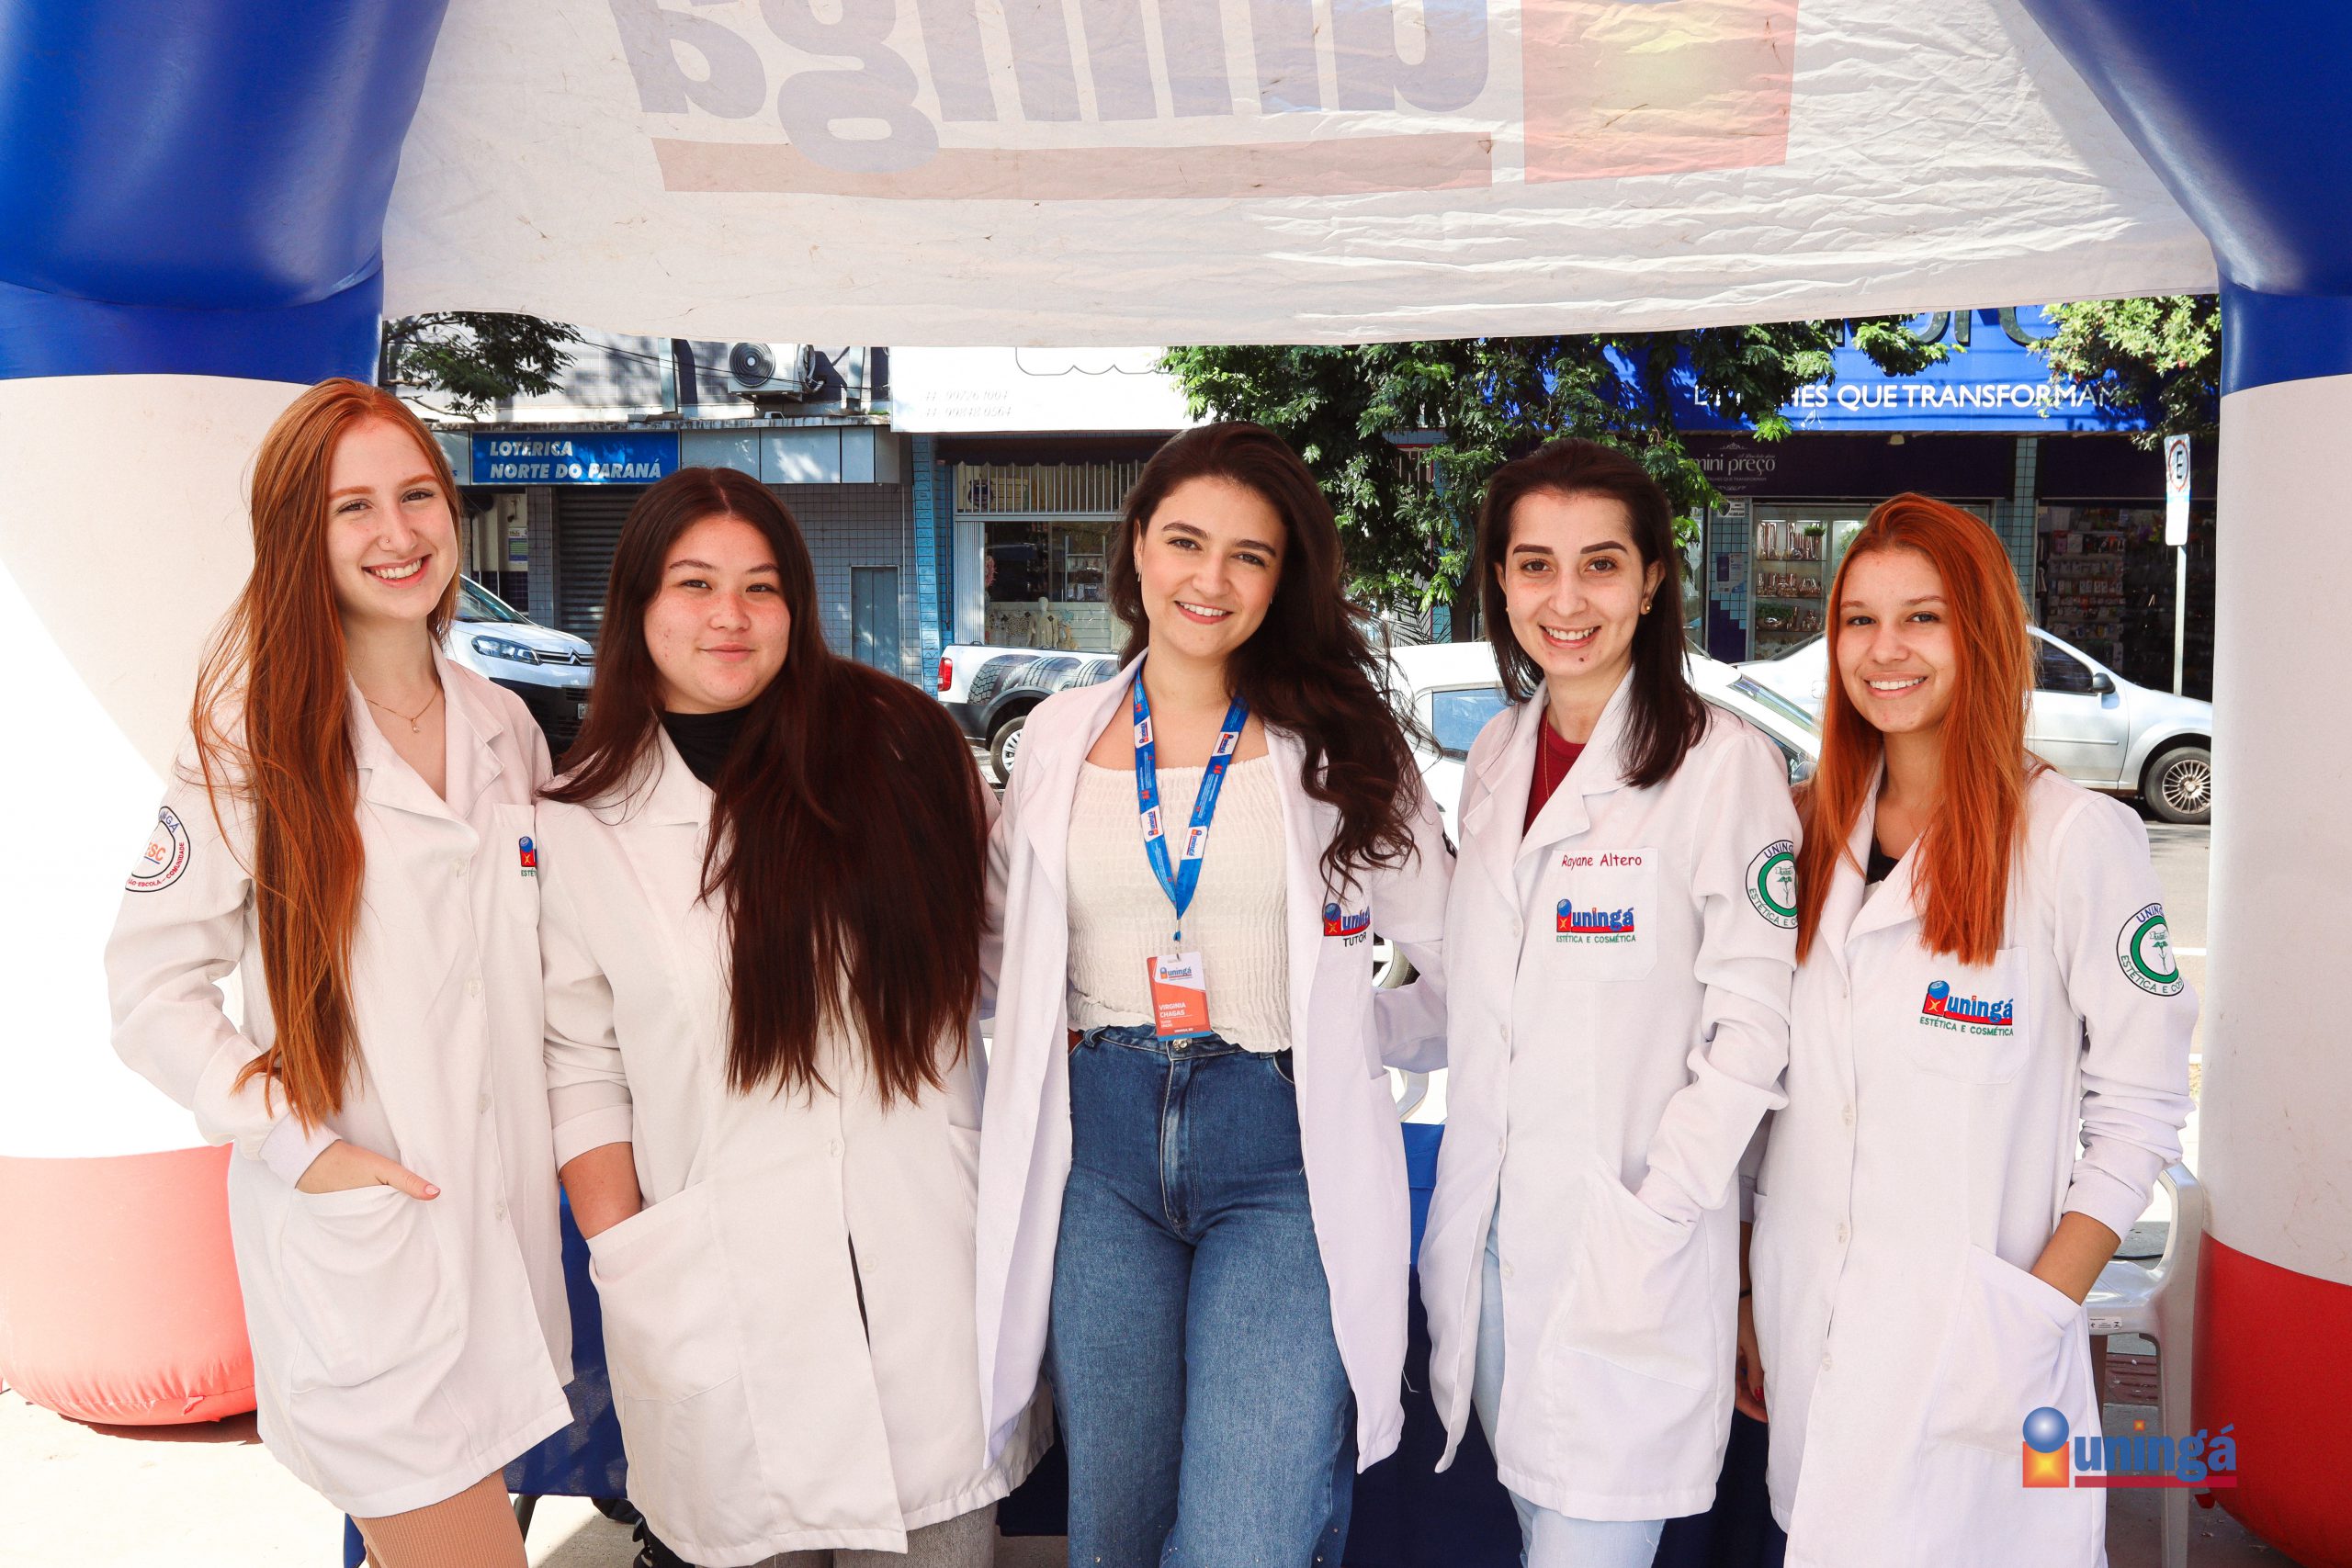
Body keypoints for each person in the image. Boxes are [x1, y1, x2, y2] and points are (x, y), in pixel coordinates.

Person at [537, 468, 1040, 1568]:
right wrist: (627, 1254)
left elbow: (1017, 952)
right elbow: (578, 1062)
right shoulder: (579, 821)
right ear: (636, 604)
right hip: (718, 1300)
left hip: (920, 1281)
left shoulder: (905, 754)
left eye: (761, 586)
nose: (731, 615)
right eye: (695, 583)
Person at [106, 379, 571, 1565]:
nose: (396, 532)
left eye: (417, 495)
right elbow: (149, 988)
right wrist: (301, 1147)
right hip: (367, 1253)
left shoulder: (505, 726)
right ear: (297, 538)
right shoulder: (250, 737)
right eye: (350, 507)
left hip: (499, 1245)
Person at [976, 423, 1453, 1567]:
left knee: (1245, 1535)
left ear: (1284, 579)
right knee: (1118, 1527)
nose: (1211, 578)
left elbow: (1458, 965)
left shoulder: (1338, 744)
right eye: (1186, 541)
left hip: (1280, 1159)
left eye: (1251, 554)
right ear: (1137, 545)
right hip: (1099, 1159)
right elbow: (995, 952)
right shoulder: (1056, 736)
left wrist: (1345, 1036)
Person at [1746, 493, 2197, 1567]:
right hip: (1806, 1320)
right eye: (1858, 620)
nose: (1884, 650)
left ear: (1983, 634)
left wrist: (2033, 1312)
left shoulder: (2077, 839)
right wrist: (1748, 1289)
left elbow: (2139, 1109)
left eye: (1923, 618)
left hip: (1978, 1351)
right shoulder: (1799, 831)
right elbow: (1765, 1087)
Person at [1415, 438, 1798, 1567]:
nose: (1566, 599)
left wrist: (1659, 1210)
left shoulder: (1722, 764)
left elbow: (1754, 1026)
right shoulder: (1496, 754)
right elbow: (1476, 998)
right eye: (1535, 565)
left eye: (1600, 564)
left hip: (1628, 1252)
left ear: (1651, 579)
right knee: (1536, 1524)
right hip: (1495, 1247)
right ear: (1499, 580)